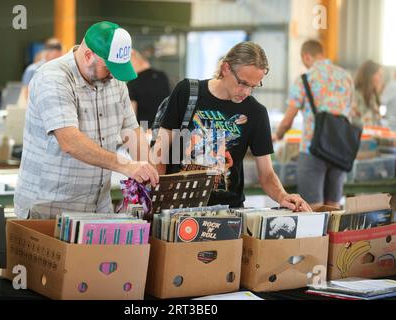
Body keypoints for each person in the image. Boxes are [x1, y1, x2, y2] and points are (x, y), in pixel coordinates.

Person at [14, 21, 159, 219]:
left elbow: (132, 132)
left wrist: (151, 173)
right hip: (50, 208)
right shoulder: (53, 78)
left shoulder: (115, 81)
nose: (113, 75)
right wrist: (126, 166)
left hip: (97, 207)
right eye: (109, 68)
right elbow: (70, 141)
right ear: (89, 55)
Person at [153, 41, 311, 212]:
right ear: (225, 68)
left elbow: (266, 174)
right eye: (242, 83)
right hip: (179, 207)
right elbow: (160, 151)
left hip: (228, 211)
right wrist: (160, 199)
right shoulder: (187, 92)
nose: (246, 92)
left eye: (253, 86)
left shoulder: (256, 112)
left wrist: (282, 196)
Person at [274, 40, 355, 210]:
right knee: (334, 205)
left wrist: (277, 135)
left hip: (313, 149)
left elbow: (288, 119)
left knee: (313, 206)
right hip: (340, 148)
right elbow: (350, 112)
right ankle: (334, 237)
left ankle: (317, 237)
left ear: (306, 56)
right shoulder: (345, 76)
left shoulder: (305, 79)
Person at [127, 49, 171, 129]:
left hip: (145, 129)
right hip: (163, 127)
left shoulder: (133, 83)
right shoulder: (162, 76)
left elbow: (132, 116)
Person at [352, 60, 384, 127]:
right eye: (379, 75)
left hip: (371, 135)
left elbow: (378, 121)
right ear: (369, 75)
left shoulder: (373, 97)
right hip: (359, 135)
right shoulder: (355, 95)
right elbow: (354, 121)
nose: (381, 78)